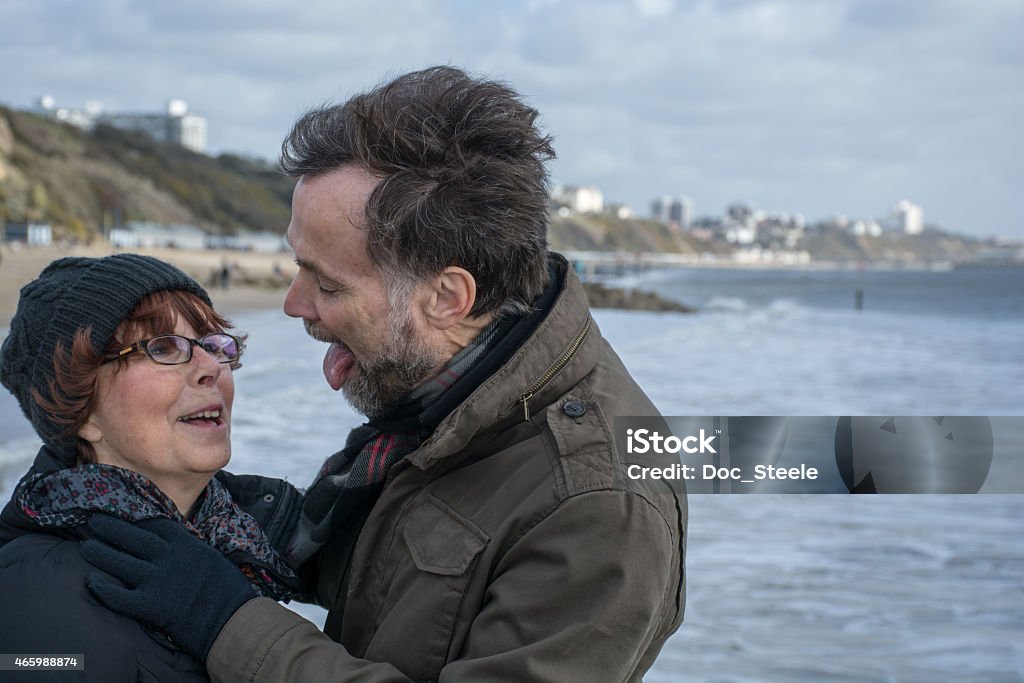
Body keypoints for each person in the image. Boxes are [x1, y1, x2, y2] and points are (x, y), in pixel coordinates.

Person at [80, 66, 687, 682]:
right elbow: (413, 580)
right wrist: (263, 520)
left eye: (328, 282)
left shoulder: (600, 505)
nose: (293, 303)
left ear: (448, 297)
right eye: (299, 265)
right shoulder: (455, 394)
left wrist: (225, 621)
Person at [0, 254, 301, 681]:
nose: (212, 367)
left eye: (213, 344)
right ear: (81, 412)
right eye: (161, 347)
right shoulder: (33, 594)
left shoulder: (245, 544)